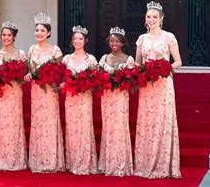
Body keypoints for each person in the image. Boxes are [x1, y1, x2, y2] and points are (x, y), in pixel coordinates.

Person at [134, 1, 182, 178]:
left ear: (161, 19)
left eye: (155, 17)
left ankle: (162, 164)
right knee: (147, 121)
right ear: (145, 20)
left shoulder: (168, 37)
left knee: (162, 121)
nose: (151, 19)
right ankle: (145, 163)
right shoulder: (142, 39)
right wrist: (138, 72)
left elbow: (178, 61)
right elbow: (138, 63)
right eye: (149, 17)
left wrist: (165, 69)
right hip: (146, 85)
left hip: (163, 84)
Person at [24, 13, 65, 173]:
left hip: (49, 90)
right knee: (38, 122)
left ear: (48, 33)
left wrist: (51, 76)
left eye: (42, 30)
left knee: (49, 121)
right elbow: (29, 70)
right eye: (37, 30)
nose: (39, 33)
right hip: (36, 90)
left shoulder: (55, 49)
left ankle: (51, 160)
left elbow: (61, 70)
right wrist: (28, 74)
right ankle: (37, 160)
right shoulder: (32, 49)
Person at [0, 21, 27, 171]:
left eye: (9, 35)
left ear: (14, 37)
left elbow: (24, 74)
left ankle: (14, 159)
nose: (6, 37)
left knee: (13, 124)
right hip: (0, 92)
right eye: (4, 35)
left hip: (14, 92)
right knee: (0, 125)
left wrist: (14, 74)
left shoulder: (21, 54)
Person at [62, 26, 98, 175]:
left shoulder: (91, 59)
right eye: (75, 38)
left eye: (80, 39)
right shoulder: (66, 59)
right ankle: (72, 162)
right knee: (72, 129)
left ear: (85, 41)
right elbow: (61, 78)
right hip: (71, 98)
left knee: (84, 128)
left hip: (84, 98)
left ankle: (85, 162)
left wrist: (85, 84)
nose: (77, 41)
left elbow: (95, 80)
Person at [98, 27, 134, 176]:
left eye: (117, 41)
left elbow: (131, 79)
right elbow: (99, 77)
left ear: (123, 43)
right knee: (108, 127)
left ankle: (120, 163)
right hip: (107, 97)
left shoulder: (128, 59)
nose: (114, 44)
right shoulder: (104, 58)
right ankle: (107, 163)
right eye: (112, 41)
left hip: (120, 96)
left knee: (119, 127)